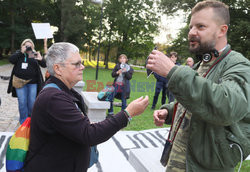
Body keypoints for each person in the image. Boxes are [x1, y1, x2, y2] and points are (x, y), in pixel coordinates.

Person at [146, 0, 250, 171]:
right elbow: (196, 102)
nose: (192, 32)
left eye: (200, 27)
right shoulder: (200, 64)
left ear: (222, 30)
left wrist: (174, 72)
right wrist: (169, 111)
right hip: (179, 162)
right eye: (191, 27)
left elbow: (227, 106)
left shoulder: (239, 65)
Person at [24, 42, 149, 172]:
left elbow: (73, 126)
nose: (83, 67)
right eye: (76, 64)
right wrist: (127, 113)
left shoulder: (61, 91)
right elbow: (89, 134)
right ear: (58, 69)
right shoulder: (54, 98)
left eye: (81, 63)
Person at [7, 39, 46, 124]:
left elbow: (44, 65)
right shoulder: (18, 54)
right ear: (22, 46)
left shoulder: (33, 54)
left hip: (33, 83)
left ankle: (31, 121)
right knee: (22, 102)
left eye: (30, 46)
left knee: (32, 103)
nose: (28, 47)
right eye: (26, 45)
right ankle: (23, 122)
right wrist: (21, 52)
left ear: (33, 47)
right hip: (19, 82)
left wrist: (40, 59)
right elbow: (11, 60)